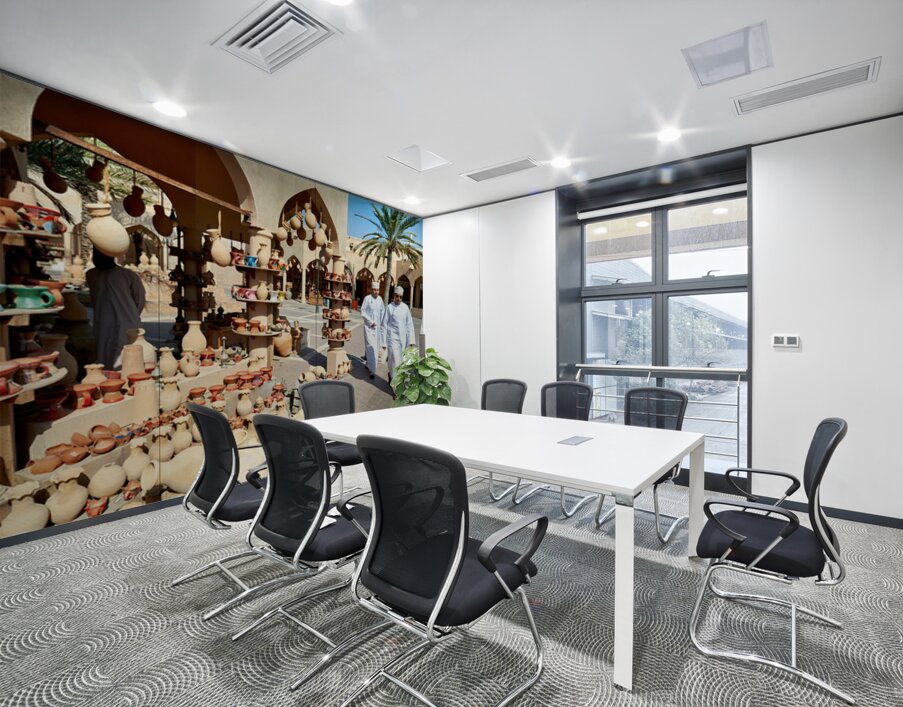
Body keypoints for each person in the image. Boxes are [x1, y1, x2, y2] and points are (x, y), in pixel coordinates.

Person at [86, 249, 146, 369]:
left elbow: (139, 299)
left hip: (127, 325)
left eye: (101, 253)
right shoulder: (91, 275)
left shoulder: (128, 275)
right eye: (96, 254)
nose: (97, 257)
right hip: (103, 325)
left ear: (111, 255)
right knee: (104, 358)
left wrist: (130, 315)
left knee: (128, 361)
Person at [385, 285, 415, 381]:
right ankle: (395, 385)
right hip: (392, 338)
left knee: (400, 360)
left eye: (401, 297)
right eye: (397, 296)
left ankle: (391, 376)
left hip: (402, 339)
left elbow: (409, 325)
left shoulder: (405, 308)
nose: (399, 299)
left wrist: (410, 341)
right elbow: (384, 324)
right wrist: (383, 342)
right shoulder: (389, 307)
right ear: (394, 296)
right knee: (394, 360)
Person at [360, 281, 386, 379]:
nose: (376, 292)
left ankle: (369, 365)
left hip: (377, 329)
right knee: (370, 347)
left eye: (377, 290)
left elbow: (383, 313)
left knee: (375, 348)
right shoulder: (367, 299)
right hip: (369, 328)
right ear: (372, 290)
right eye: (374, 290)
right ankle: (372, 371)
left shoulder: (380, 300)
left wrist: (382, 325)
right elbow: (363, 312)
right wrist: (370, 322)